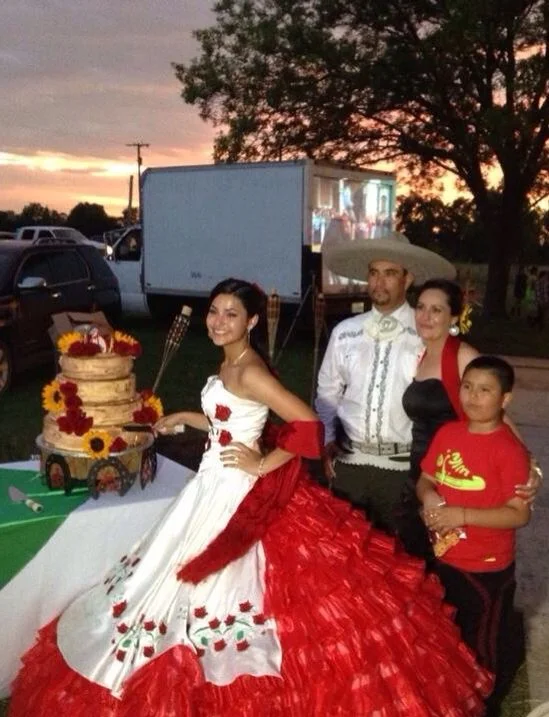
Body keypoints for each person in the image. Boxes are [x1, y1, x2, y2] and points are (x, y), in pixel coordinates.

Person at [9, 278, 493, 717]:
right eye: (214, 311)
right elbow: (232, 420)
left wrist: (262, 464)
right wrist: (184, 417)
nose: (218, 322)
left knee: (232, 593)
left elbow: (307, 425)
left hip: (236, 494)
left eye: (231, 314)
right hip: (210, 483)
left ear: (252, 321)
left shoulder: (251, 371)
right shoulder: (231, 362)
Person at [315, 231, 457, 534]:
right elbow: (327, 391)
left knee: (400, 560)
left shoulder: (426, 333)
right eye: (374, 273)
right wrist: (327, 440)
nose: (379, 282)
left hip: (403, 469)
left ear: (407, 279)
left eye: (390, 273)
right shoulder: (345, 332)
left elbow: (463, 392)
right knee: (345, 556)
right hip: (349, 466)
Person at [417, 356, 531, 717]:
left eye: (485, 390)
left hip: (485, 568)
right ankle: (452, 697)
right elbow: (427, 478)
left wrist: (462, 515)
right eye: (467, 387)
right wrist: (429, 496)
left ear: (505, 399)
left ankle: (482, 704)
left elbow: (519, 513)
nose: (473, 397)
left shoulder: (508, 448)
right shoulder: (448, 433)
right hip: (444, 556)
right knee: (447, 634)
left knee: (481, 642)